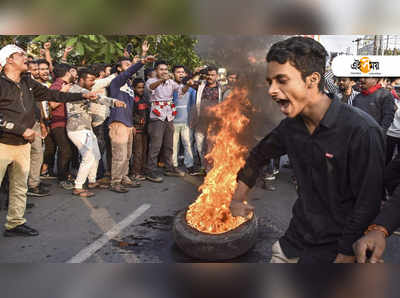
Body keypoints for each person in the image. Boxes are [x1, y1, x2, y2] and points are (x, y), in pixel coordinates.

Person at [229, 37, 385, 263]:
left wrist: (346, 254)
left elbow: (368, 202)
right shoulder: (290, 127)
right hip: (292, 244)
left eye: (281, 80)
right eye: (270, 82)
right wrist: (237, 199)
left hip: (337, 253)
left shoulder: (362, 131)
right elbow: (257, 156)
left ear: (313, 79)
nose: (272, 90)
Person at [0, 44, 98, 237]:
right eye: (21, 54)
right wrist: (20, 129)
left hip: (22, 144)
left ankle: (14, 224)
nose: (25, 57)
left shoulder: (27, 81)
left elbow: (55, 95)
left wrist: (82, 95)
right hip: (3, 143)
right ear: (9, 60)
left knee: (20, 187)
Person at [66, 68, 126, 197]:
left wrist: (113, 102)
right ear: (81, 79)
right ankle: (78, 186)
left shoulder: (84, 91)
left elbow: (96, 97)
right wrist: (114, 102)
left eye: (94, 79)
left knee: (96, 154)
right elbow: (97, 98)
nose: (93, 82)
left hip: (86, 128)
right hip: (77, 129)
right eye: (90, 80)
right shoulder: (76, 90)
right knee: (88, 157)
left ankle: (92, 181)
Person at [108, 42, 155, 192]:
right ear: (119, 69)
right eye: (127, 64)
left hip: (128, 124)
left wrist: (132, 125)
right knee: (119, 155)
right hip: (118, 123)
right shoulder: (116, 82)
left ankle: (124, 177)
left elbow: (134, 74)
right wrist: (141, 60)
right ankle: (115, 182)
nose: (130, 66)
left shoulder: (128, 85)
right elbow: (129, 72)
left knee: (127, 155)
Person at [145, 61, 191, 183]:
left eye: (166, 69)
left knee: (169, 144)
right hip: (157, 117)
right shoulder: (151, 80)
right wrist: (162, 80)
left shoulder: (171, 82)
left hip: (169, 116)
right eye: (161, 69)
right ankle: (150, 170)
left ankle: (169, 167)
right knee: (156, 145)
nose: (164, 71)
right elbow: (151, 88)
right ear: (156, 71)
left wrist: (188, 85)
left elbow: (182, 91)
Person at [48, 64, 77, 190]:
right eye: (71, 71)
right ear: (66, 72)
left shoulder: (65, 84)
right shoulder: (57, 85)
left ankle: (66, 174)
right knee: (65, 151)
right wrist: (63, 92)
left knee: (67, 150)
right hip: (58, 123)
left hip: (66, 122)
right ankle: (62, 179)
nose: (73, 74)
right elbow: (53, 104)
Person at [191, 66, 224, 173]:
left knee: (212, 146)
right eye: (208, 75)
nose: (210, 77)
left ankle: (210, 169)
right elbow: (189, 82)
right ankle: (204, 165)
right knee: (200, 145)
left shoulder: (221, 88)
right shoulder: (201, 85)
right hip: (201, 120)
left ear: (217, 76)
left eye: (212, 75)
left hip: (214, 122)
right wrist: (196, 73)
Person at [172, 66, 198, 175]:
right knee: (173, 145)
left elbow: (193, 105)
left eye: (182, 72)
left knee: (188, 143)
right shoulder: (171, 87)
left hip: (186, 121)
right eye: (178, 72)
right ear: (173, 74)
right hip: (172, 121)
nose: (181, 74)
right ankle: (173, 166)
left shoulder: (191, 89)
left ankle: (189, 165)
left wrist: (192, 119)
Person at [129, 78, 149, 181]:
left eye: (143, 87)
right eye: (139, 87)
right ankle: (135, 173)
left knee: (144, 150)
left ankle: (142, 170)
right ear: (134, 88)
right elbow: (130, 114)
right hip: (137, 129)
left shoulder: (144, 98)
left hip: (145, 129)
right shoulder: (133, 99)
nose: (141, 89)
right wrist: (138, 120)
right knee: (138, 152)